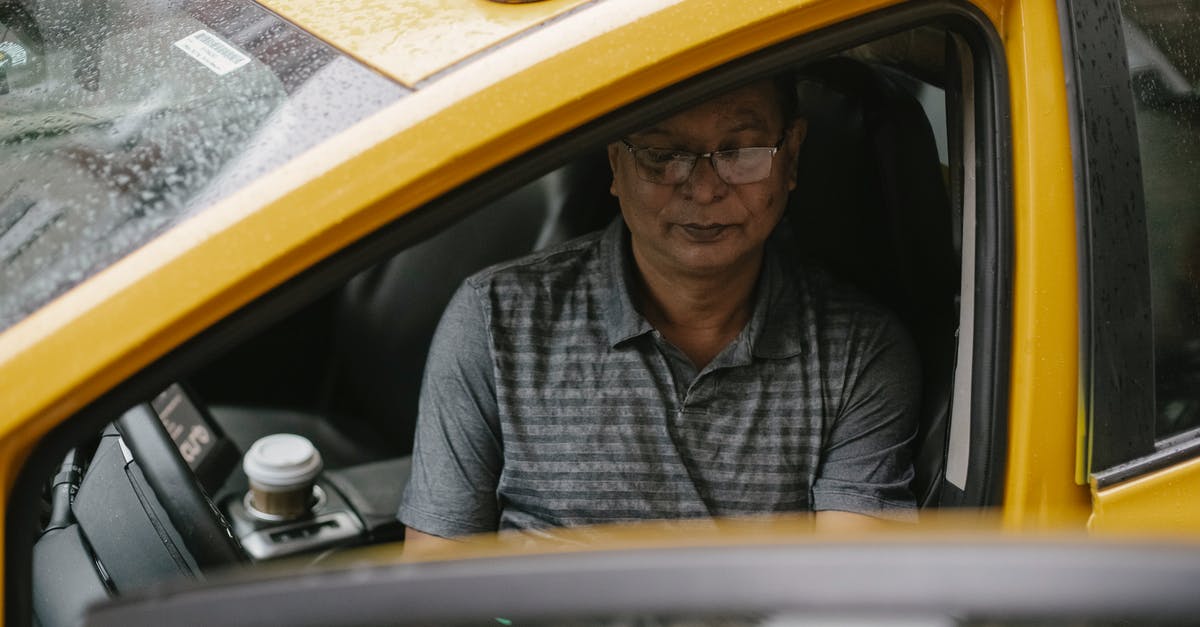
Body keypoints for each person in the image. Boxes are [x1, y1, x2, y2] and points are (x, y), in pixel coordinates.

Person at [398, 75, 920, 552]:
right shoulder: (498, 319)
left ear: (792, 157)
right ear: (614, 161)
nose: (704, 187)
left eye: (740, 151)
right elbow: (435, 585)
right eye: (663, 154)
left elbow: (849, 595)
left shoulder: (860, 351)